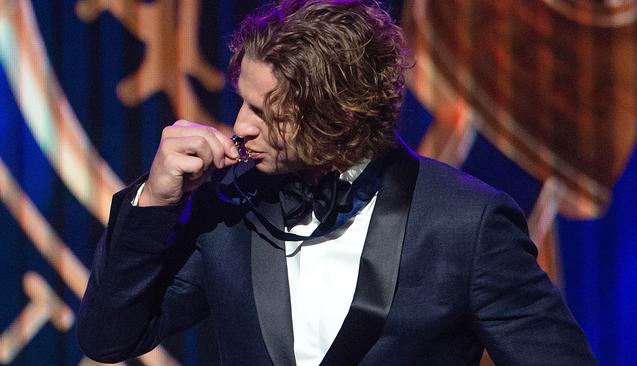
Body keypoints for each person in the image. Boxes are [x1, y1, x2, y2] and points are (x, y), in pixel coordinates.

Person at [77, 1, 597, 365]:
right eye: (242, 101)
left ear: (337, 118)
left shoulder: (466, 223)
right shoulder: (231, 206)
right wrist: (154, 202)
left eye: (264, 111)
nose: (239, 126)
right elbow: (109, 337)